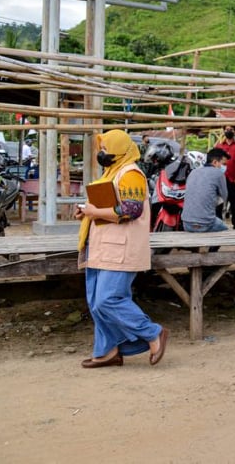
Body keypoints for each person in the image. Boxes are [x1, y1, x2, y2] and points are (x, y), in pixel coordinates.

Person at [74, 129, 169, 369]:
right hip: (102, 246)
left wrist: (94, 212)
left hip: (121, 249)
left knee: (109, 299)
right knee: (96, 302)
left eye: (106, 148)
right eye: (102, 148)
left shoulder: (131, 173)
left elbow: (131, 210)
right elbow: (109, 204)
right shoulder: (112, 171)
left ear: (120, 149)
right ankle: (108, 351)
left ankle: (152, 333)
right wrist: (88, 211)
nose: (102, 153)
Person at [182, 147, 230, 237]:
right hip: (206, 224)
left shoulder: (193, 172)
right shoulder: (218, 174)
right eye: (223, 164)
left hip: (186, 223)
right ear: (215, 162)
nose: (224, 167)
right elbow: (224, 196)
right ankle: (211, 251)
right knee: (225, 230)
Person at [215, 125, 235, 229]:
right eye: (227, 129)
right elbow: (214, 161)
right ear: (224, 131)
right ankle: (218, 222)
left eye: (231, 129)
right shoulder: (219, 146)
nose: (229, 131)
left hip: (234, 179)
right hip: (221, 178)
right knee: (218, 202)